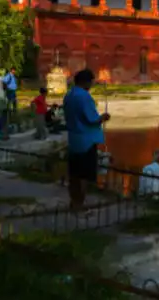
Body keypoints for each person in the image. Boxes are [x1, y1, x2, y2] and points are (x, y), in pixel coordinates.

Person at [64, 68, 110, 212]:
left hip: (74, 139)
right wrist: (103, 117)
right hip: (86, 141)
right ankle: (80, 205)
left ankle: (73, 201)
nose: (92, 85)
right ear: (85, 82)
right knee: (84, 175)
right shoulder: (84, 96)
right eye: (91, 82)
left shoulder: (69, 94)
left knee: (74, 174)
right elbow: (91, 119)